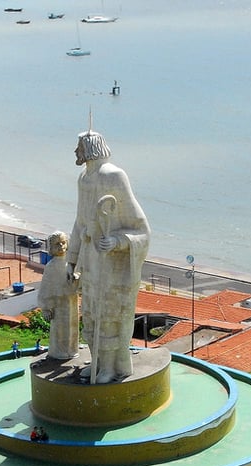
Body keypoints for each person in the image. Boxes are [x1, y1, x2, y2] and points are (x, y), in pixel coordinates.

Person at [66, 128, 150, 384]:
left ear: (90, 148)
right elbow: (80, 222)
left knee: (109, 315)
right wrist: (72, 260)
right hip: (91, 260)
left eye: (79, 146)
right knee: (91, 314)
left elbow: (141, 230)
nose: (75, 151)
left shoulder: (114, 175)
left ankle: (112, 368)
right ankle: (97, 362)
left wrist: (117, 241)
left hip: (111, 263)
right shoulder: (84, 178)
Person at [37, 231, 79, 360]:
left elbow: (80, 278)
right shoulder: (50, 266)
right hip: (58, 304)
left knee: (73, 328)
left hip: (71, 301)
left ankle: (72, 350)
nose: (61, 246)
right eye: (57, 244)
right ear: (51, 248)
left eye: (63, 243)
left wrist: (76, 278)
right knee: (60, 330)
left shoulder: (72, 263)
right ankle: (59, 352)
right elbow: (45, 288)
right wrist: (45, 308)